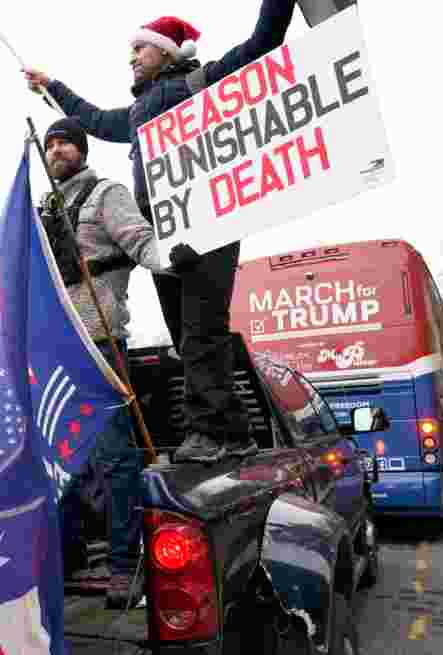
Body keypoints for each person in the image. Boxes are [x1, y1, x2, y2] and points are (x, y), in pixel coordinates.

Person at [24, 0, 296, 461]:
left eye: (140, 49)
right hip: (165, 237)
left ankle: (206, 432)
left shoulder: (201, 83)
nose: (131, 57)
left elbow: (261, 44)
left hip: (207, 226)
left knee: (201, 330)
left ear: (168, 54)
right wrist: (54, 88)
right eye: (130, 51)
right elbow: (91, 119)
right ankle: (234, 433)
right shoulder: (135, 115)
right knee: (189, 334)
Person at [38, 117, 162, 608]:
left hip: (100, 340)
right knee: (63, 464)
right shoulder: (40, 208)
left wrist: (175, 256)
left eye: (66, 141)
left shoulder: (105, 193)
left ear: (82, 149)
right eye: (50, 144)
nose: (56, 149)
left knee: (114, 457)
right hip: (56, 349)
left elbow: (140, 241)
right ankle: (69, 562)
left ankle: (124, 564)